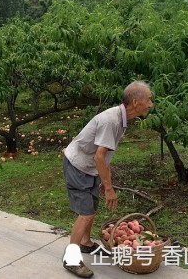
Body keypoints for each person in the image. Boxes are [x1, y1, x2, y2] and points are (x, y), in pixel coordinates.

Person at [62, 81, 153, 278]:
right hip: (78, 165)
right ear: (136, 102)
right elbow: (99, 156)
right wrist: (110, 188)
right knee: (86, 213)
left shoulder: (121, 119)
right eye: (149, 99)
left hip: (90, 166)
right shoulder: (111, 120)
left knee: (92, 207)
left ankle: (85, 243)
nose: (151, 104)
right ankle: (71, 258)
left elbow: (104, 156)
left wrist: (105, 179)